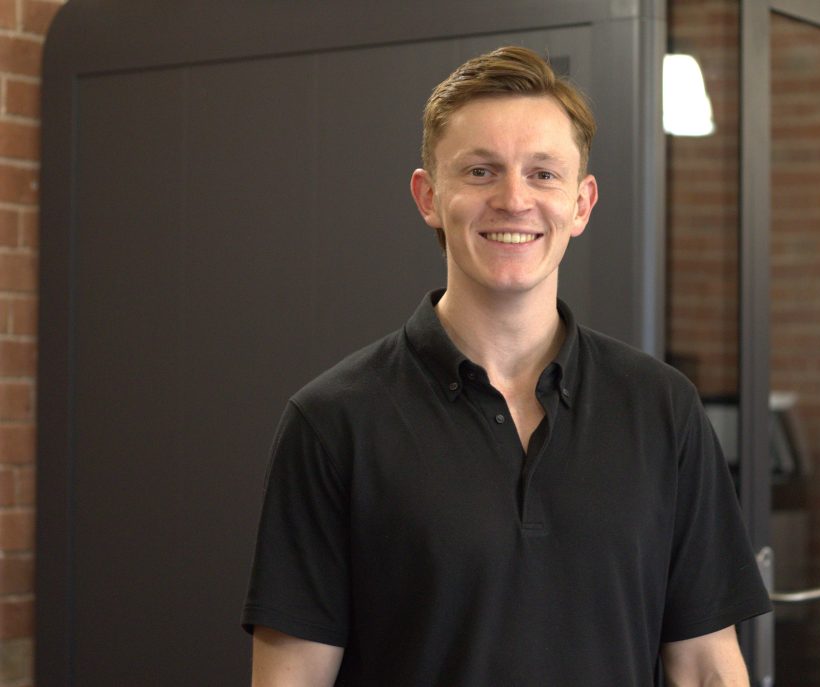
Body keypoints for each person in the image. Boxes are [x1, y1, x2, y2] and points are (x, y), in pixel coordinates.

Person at [242, 45, 771, 686]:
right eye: (481, 171)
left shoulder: (662, 408)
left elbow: (707, 668)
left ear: (581, 204)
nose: (514, 199)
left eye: (543, 174)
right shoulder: (333, 422)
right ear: (429, 196)